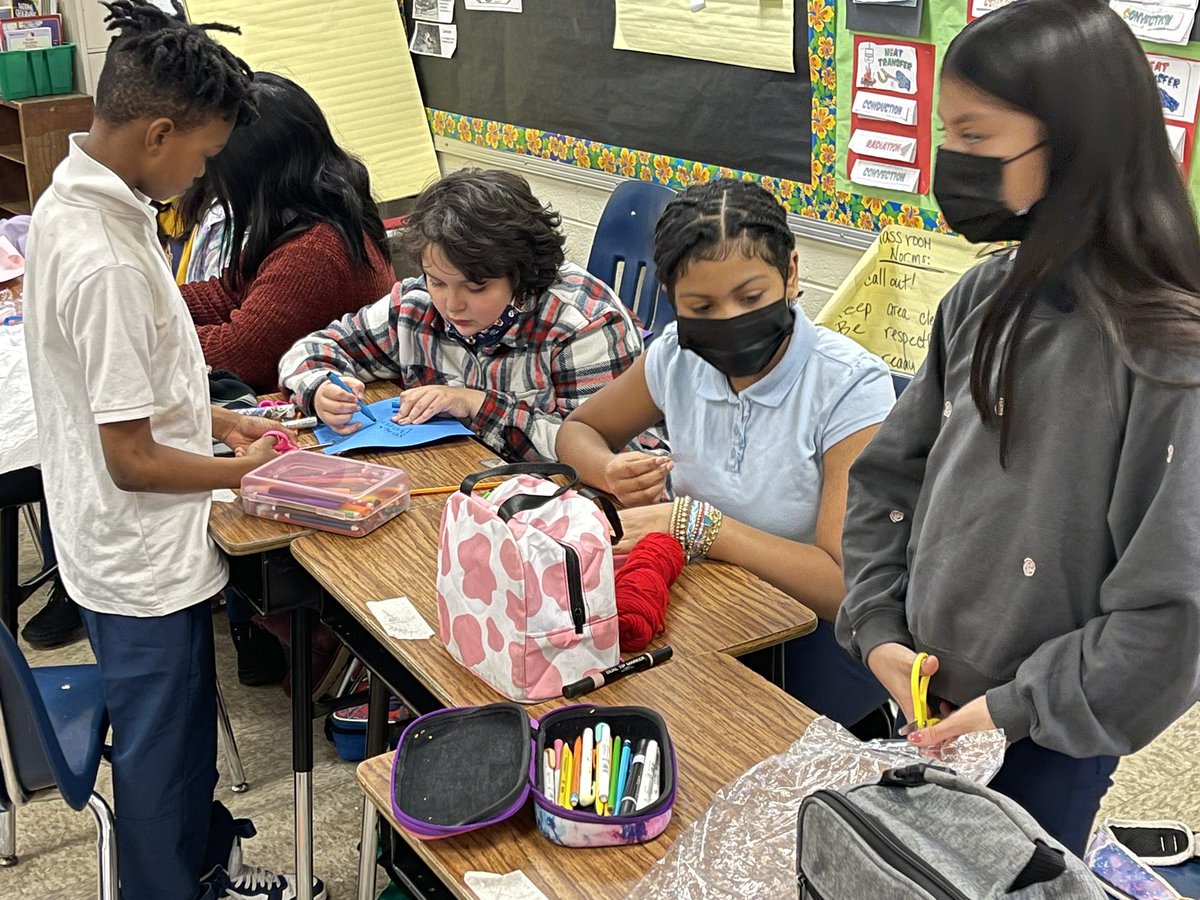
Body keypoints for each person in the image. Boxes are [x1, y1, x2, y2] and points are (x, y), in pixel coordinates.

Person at [835, 0, 1200, 856]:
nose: (948, 162)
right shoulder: (981, 298)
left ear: (1075, 148)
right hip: (921, 695)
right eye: (944, 133)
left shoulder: (1165, 359)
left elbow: (1171, 614)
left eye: (974, 137)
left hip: (1048, 733)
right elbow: (892, 482)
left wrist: (1014, 706)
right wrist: (879, 628)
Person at [23, 3, 324, 898]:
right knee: (161, 756)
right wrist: (242, 472)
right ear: (158, 133)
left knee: (183, 731)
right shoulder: (106, 256)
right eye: (200, 157)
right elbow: (133, 461)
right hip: (138, 552)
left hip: (124, 542)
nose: (201, 176)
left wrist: (216, 419)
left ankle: (205, 865)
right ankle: (169, 882)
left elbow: (143, 380)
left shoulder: (84, 203)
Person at [556, 179, 896, 727]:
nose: (729, 319)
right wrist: (610, 470)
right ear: (671, 299)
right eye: (701, 306)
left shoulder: (849, 386)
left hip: (817, 638)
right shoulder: (676, 358)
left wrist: (700, 527)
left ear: (791, 274)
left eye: (751, 297)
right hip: (710, 604)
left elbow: (844, 589)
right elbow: (579, 431)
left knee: (704, 734)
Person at [279, 167, 659, 461]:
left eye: (476, 287)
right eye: (437, 281)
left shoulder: (583, 324)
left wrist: (474, 403)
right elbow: (312, 349)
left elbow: (609, 459)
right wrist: (321, 388)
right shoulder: (417, 304)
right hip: (458, 483)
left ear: (523, 274)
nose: (452, 304)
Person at [179, 71, 394, 392]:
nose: (202, 173)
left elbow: (238, 356)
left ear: (251, 174)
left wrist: (146, 327)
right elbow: (225, 294)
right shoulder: (309, 216)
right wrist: (148, 300)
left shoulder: (316, 251)